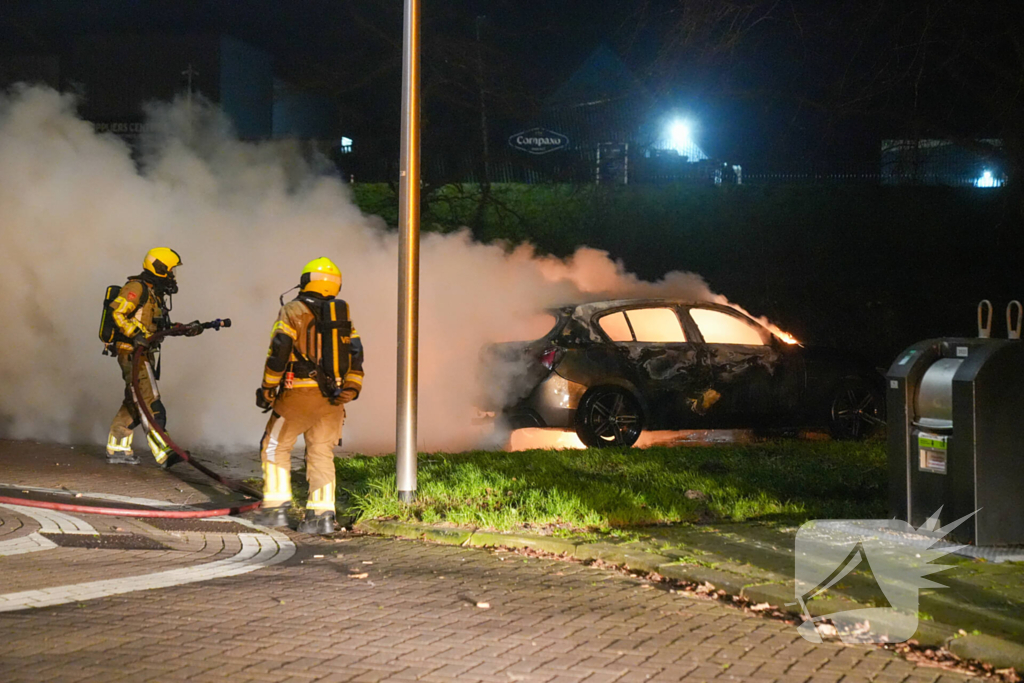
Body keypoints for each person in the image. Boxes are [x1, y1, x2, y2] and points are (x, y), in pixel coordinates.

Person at [254, 257, 364, 534]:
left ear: (305, 281)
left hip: (299, 393)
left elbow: (279, 349)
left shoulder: (293, 310)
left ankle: (276, 509)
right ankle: (321, 516)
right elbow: (357, 354)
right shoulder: (342, 315)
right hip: (334, 398)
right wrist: (351, 388)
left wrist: (268, 388)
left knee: (275, 446)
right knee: (321, 452)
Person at [105, 247, 199, 467]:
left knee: (133, 401)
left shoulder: (154, 293)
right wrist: (134, 334)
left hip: (144, 352)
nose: (172, 275)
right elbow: (117, 312)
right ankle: (165, 452)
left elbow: (156, 327)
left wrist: (184, 328)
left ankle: (118, 446)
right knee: (150, 400)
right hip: (132, 352)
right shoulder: (136, 288)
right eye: (170, 270)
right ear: (159, 268)